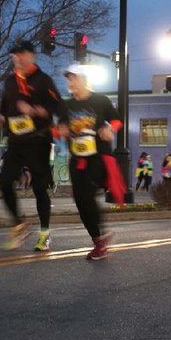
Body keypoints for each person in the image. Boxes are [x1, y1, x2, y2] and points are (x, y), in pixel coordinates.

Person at [0, 41, 64, 252]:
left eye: (22, 54)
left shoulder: (43, 81)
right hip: (16, 142)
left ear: (32, 56)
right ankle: (19, 224)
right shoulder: (10, 82)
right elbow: (5, 107)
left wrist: (34, 110)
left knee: (39, 188)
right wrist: (0, 118)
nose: (18, 58)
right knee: (5, 183)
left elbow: (57, 106)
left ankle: (44, 233)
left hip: (38, 140)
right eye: (15, 55)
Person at [58, 64, 124, 260]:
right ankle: (98, 241)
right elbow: (60, 127)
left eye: (73, 78)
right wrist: (59, 131)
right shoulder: (67, 105)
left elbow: (117, 120)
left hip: (98, 157)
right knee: (80, 201)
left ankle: (101, 238)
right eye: (68, 79)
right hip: (77, 158)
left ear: (84, 80)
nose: (70, 83)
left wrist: (109, 129)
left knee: (87, 195)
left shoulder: (100, 101)